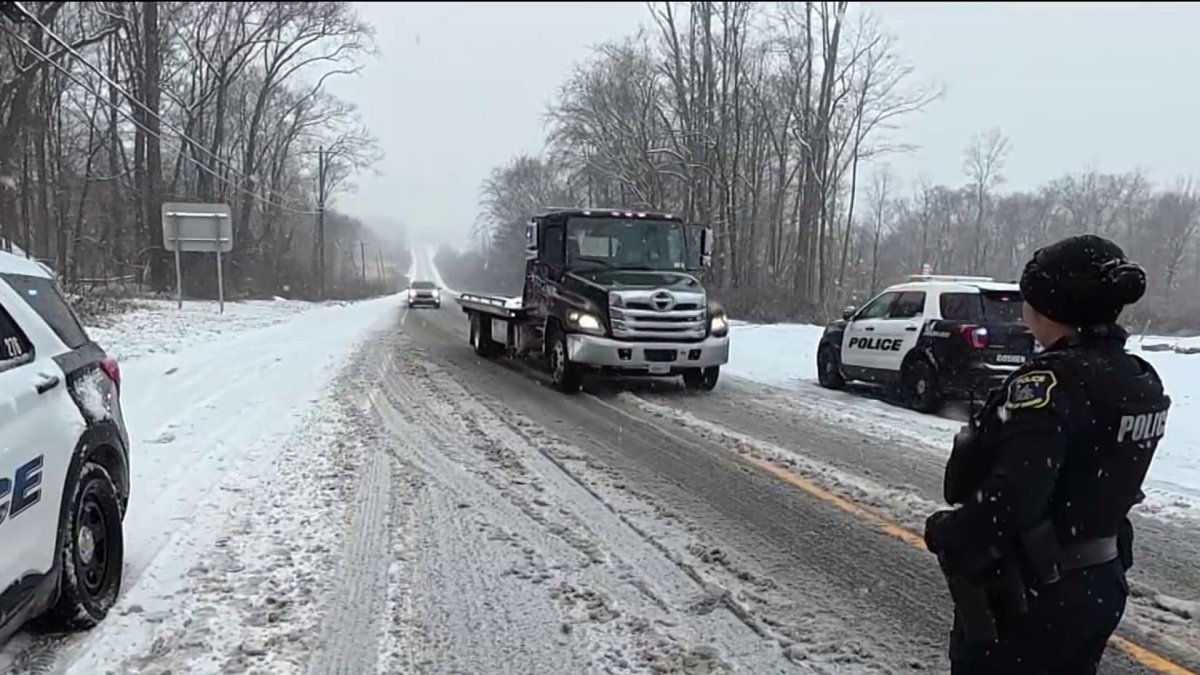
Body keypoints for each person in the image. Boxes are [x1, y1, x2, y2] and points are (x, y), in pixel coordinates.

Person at [923, 233, 1172, 675]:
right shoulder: (1139, 379)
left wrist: (947, 531)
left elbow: (1013, 498)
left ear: (1045, 309)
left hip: (1032, 594)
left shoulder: (1051, 384)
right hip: (1098, 582)